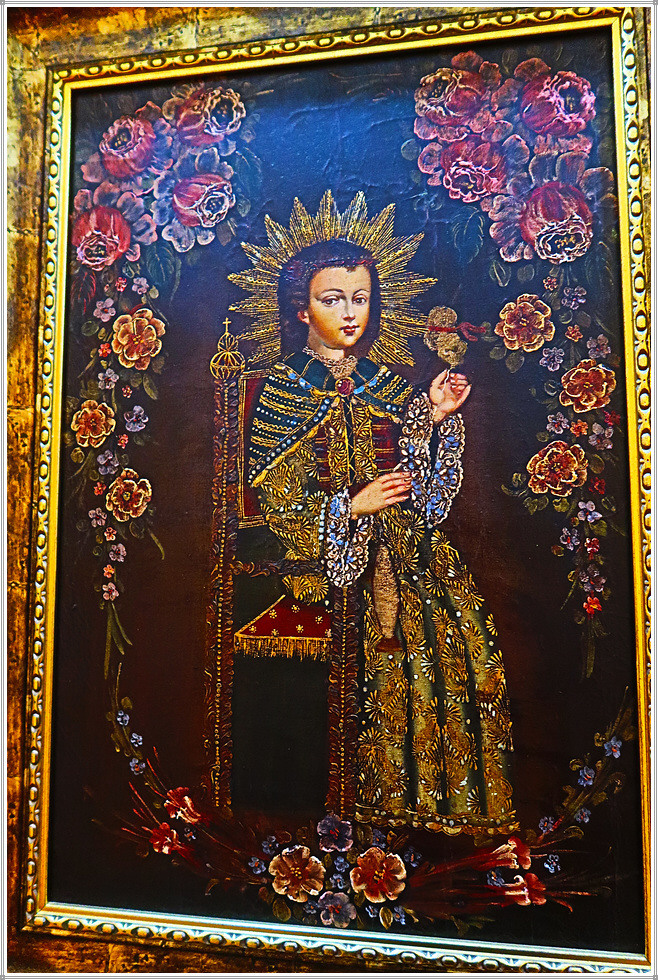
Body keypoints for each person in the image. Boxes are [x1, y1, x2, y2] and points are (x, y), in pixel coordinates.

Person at [248, 238, 515, 837]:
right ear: (301, 308)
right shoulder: (282, 390)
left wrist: (434, 418)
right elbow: (275, 500)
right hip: (324, 552)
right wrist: (350, 506)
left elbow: (421, 493)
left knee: (454, 633)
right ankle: (370, 812)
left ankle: (438, 812)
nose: (350, 314)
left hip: (403, 546)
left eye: (361, 299)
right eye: (332, 299)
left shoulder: (386, 384)